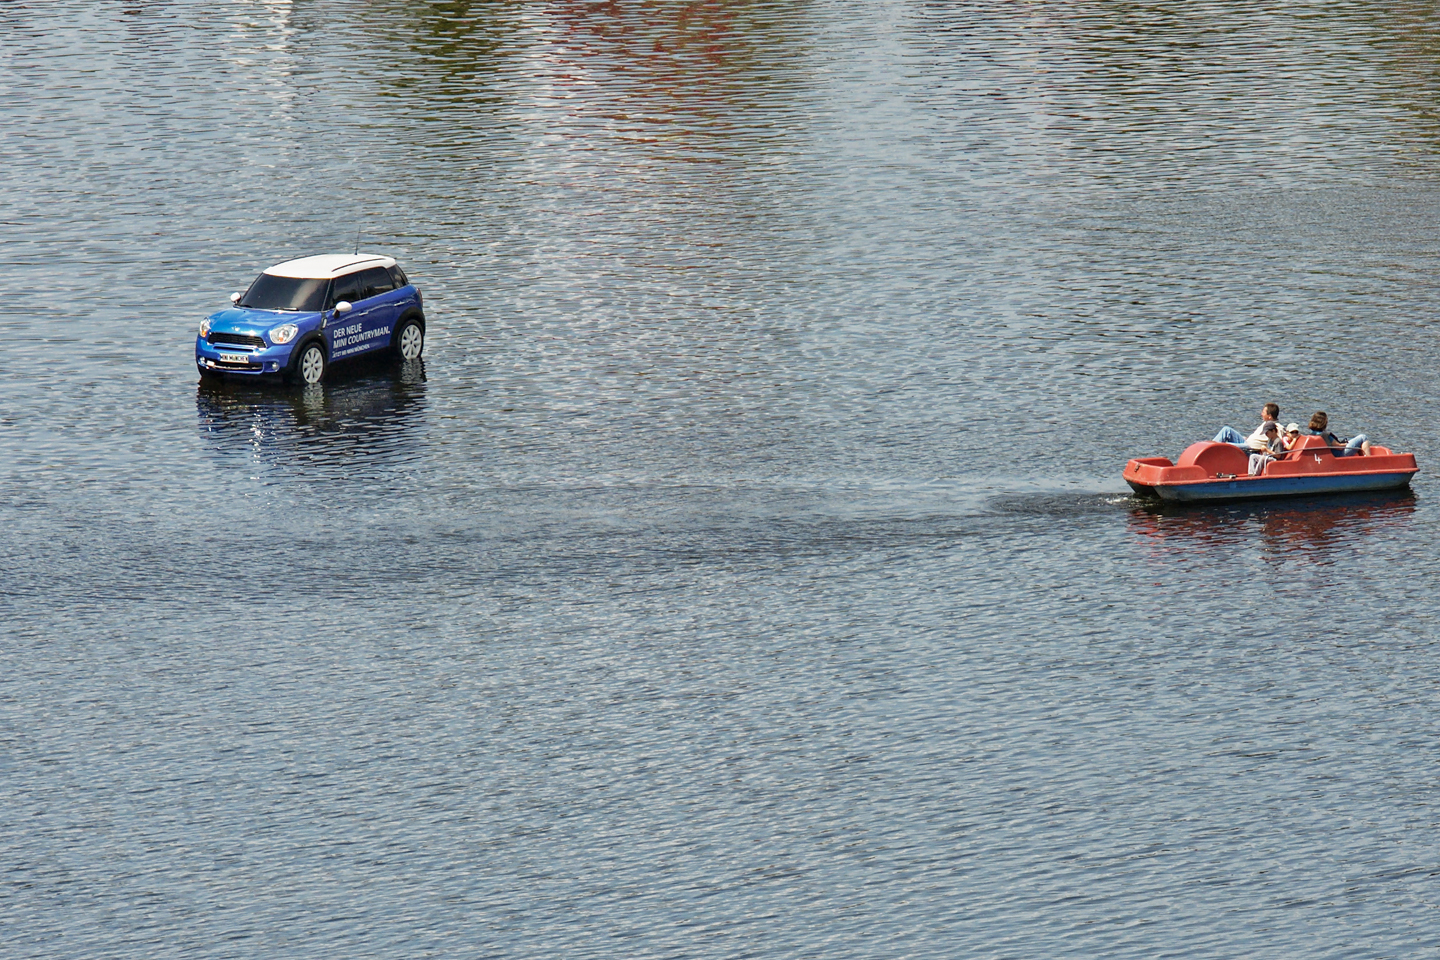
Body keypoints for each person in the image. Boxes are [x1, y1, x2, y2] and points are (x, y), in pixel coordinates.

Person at [1215, 402, 1281, 450]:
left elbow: (1279, 440)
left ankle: (1211, 453)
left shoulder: (1277, 427)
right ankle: (1209, 448)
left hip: (1250, 448)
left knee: (1225, 445)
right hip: (1246, 442)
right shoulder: (1265, 423)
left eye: (1263, 412)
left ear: (1269, 416)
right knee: (1226, 430)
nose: (1261, 414)